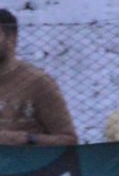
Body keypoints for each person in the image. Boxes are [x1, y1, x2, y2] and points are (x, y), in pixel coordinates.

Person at [0, 8, 77, 146]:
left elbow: (69, 140)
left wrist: (26, 139)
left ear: (12, 39)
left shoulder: (37, 82)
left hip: (25, 159)